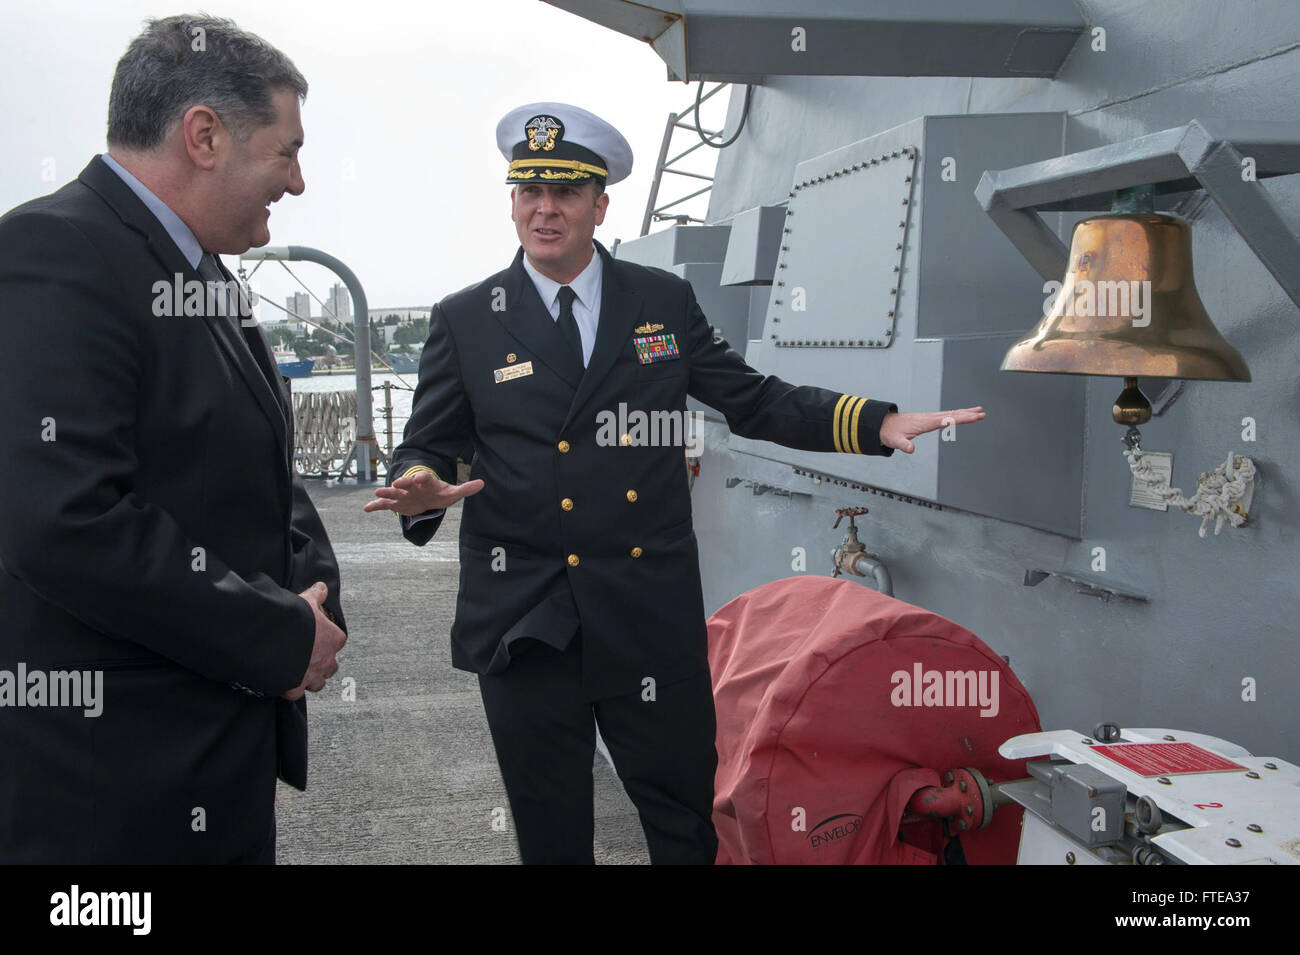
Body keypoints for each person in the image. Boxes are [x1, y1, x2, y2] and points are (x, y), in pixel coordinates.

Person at [365, 102, 984, 864]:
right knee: (551, 834)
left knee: (685, 820)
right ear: (513, 200)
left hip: (644, 612)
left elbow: (752, 399)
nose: (545, 209)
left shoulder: (659, 302)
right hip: (526, 614)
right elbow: (430, 440)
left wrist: (872, 423)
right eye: (529, 191)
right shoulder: (467, 317)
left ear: (600, 204)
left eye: (564, 192)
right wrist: (420, 481)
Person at [0, 15, 346, 864]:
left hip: (208, 760)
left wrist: (315, 596)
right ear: (204, 135)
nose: (296, 182)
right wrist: (276, 633)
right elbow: (62, 519)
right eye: (285, 151)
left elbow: (260, 470)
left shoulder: (199, 273)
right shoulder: (57, 250)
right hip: (113, 789)